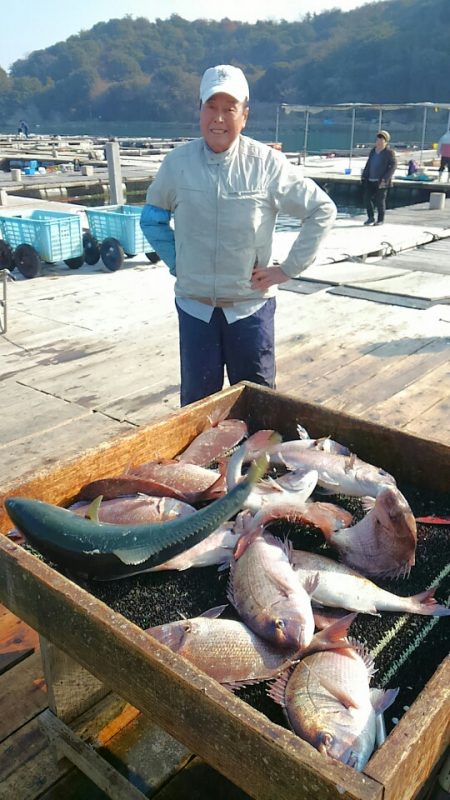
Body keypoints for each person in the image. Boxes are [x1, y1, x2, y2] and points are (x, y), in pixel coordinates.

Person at [140, 64, 336, 407]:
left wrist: (288, 269)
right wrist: (179, 264)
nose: (219, 118)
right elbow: (152, 221)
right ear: (199, 111)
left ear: (244, 115)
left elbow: (321, 210)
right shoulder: (176, 164)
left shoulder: (267, 164)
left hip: (250, 309)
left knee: (260, 408)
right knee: (198, 411)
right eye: (211, 108)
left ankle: (255, 462)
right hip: (195, 310)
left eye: (229, 109)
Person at [361, 130, 397, 226]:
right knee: (367, 199)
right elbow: (369, 164)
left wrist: (385, 179)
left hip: (381, 181)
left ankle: (380, 219)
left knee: (380, 201)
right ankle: (370, 217)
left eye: (382, 140)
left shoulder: (389, 152)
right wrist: (364, 175)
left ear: (386, 142)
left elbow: (393, 166)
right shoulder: (373, 151)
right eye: (378, 139)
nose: (379, 141)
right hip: (370, 179)